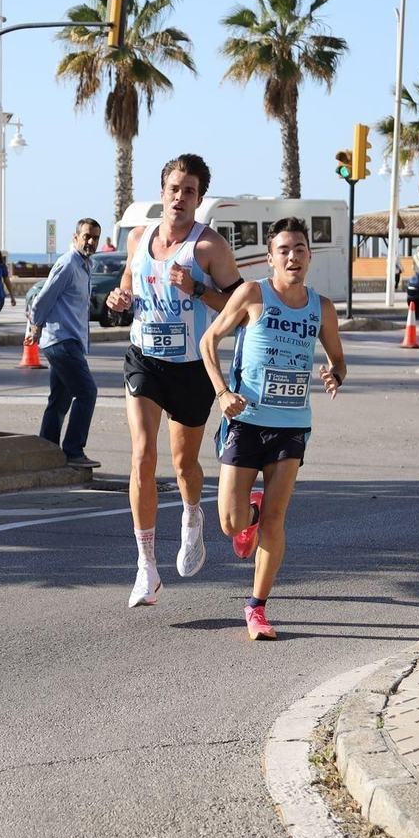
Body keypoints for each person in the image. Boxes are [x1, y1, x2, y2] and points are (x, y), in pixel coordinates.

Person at [105, 153, 243, 608]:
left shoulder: (209, 248)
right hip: (144, 360)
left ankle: (191, 515)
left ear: (199, 199)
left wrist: (197, 289)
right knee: (143, 455)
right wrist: (120, 299)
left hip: (191, 367)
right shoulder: (138, 237)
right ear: (161, 192)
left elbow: (241, 307)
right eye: (174, 189)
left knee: (184, 466)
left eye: (189, 191)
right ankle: (146, 567)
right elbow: (128, 283)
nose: (180, 197)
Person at [199, 217, 345, 640]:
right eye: (284, 250)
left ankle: (256, 607)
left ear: (309, 256)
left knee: (276, 521)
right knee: (230, 523)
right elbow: (209, 341)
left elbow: (338, 359)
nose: (292, 256)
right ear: (270, 258)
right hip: (245, 421)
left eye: (299, 249)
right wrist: (222, 392)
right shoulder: (252, 294)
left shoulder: (322, 308)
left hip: (291, 425)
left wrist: (335, 374)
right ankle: (251, 512)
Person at [27, 219, 103, 468]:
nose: (90, 241)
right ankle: (73, 451)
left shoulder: (85, 265)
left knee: (60, 400)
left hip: (70, 340)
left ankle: (45, 451)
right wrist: (36, 327)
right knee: (87, 392)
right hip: (61, 340)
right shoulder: (68, 264)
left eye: (95, 237)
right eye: (86, 236)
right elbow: (43, 298)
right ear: (75, 237)